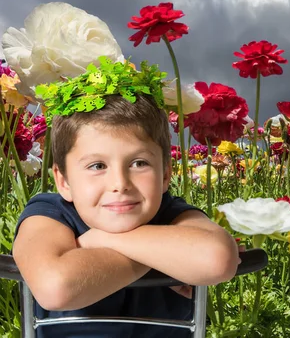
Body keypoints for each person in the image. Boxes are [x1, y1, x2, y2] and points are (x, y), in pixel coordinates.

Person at [12, 58, 240, 337]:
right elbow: (55, 287)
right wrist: (164, 256)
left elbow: (216, 259)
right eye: (97, 166)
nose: (120, 184)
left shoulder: (172, 212)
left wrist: (101, 239)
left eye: (139, 163)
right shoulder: (49, 212)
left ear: (166, 174)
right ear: (64, 181)